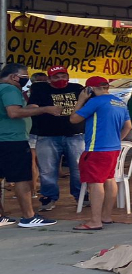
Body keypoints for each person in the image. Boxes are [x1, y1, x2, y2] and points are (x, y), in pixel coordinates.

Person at [0, 62, 61, 228]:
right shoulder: (10, 89)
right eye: (24, 76)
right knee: (22, 179)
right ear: (14, 77)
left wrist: (31, 108)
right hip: (12, 140)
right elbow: (14, 112)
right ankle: (28, 217)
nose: (26, 80)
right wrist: (44, 109)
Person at [69, 76, 132, 231]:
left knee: (95, 183)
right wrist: (116, 140)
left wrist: (80, 100)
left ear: (89, 89)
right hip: (113, 148)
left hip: (96, 148)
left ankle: (95, 221)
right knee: (110, 179)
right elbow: (128, 126)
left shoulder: (95, 102)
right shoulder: (119, 102)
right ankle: (106, 216)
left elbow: (74, 119)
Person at [28, 65, 84, 212]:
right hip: (47, 136)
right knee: (47, 170)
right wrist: (45, 109)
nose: (61, 79)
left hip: (76, 135)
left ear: (68, 76)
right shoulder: (40, 89)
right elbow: (31, 108)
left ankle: (82, 196)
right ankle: (48, 197)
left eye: (63, 76)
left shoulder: (77, 88)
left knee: (79, 168)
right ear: (49, 78)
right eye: (56, 77)